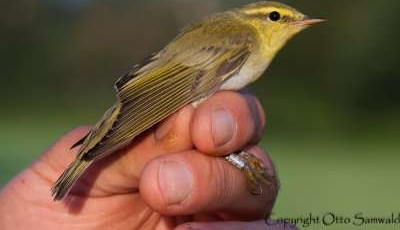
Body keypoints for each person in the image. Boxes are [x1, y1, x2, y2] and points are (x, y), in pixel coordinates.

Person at [0, 90, 296, 230]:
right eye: (276, 18)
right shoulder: (241, 37)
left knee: (207, 131)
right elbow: (175, 87)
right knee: (199, 129)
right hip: (163, 97)